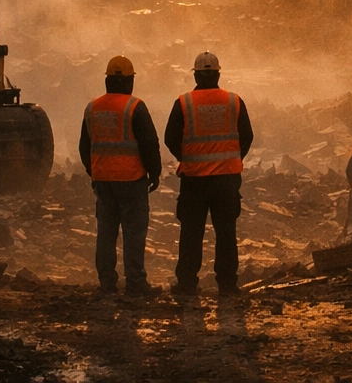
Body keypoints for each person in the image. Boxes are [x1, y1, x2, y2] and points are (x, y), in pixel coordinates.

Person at [163, 51, 253, 296]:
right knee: (226, 233)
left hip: (194, 181)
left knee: (191, 233)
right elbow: (247, 137)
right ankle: (226, 284)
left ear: (196, 75)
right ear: (217, 74)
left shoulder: (184, 103)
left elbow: (170, 138)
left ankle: (187, 284)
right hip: (226, 181)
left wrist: (188, 158)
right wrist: (232, 159)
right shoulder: (234, 101)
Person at [79, 55, 163, 297]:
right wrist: (154, 172)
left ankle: (107, 282)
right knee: (134, 233)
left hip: (103, 181)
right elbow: (149, 144)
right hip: (131, 180)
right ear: (128, 82)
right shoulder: (135, 107)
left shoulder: (92, 108)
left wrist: (93, 170)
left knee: (106, 231)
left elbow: (85, 146)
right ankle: (136, 282)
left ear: (107, 81)